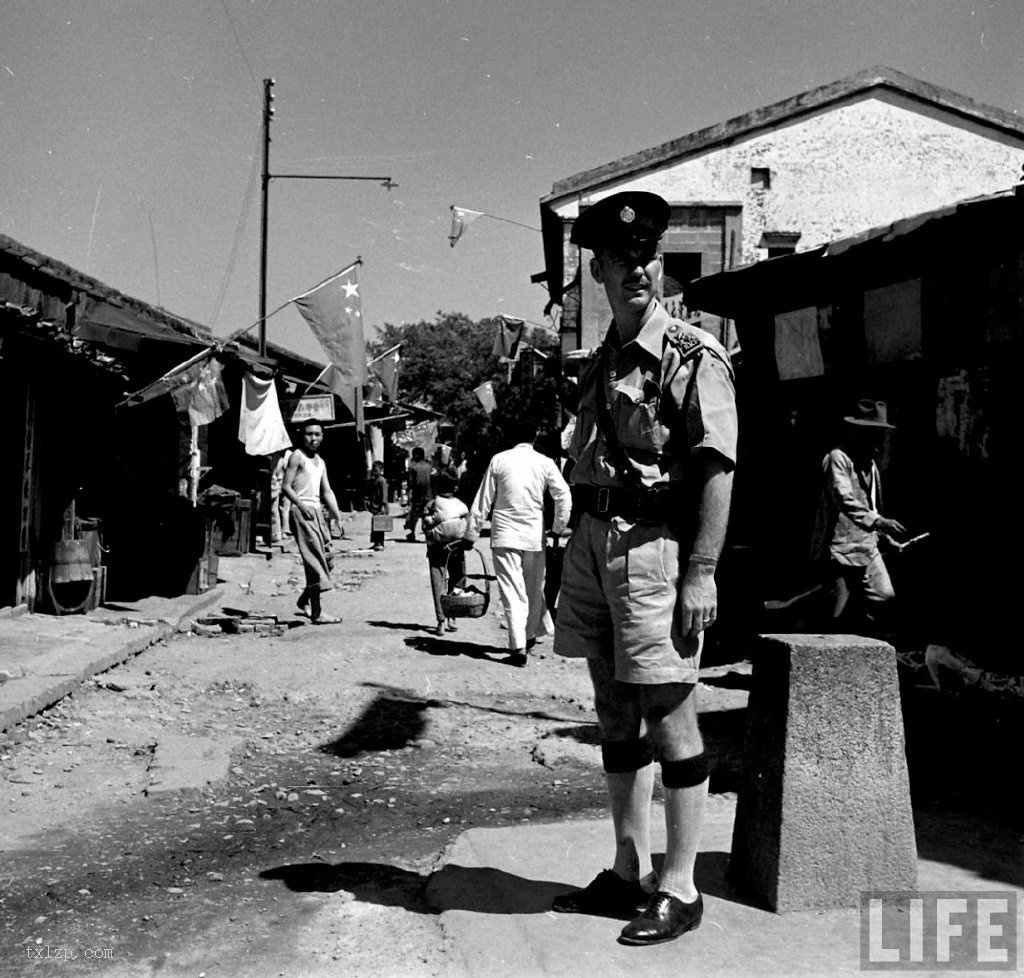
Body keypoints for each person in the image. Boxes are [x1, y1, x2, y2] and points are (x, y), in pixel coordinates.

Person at [550, 191, 737, 947]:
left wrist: (702, 570)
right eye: (622, 261)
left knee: (669, 712)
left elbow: (718, 470)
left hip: (656, 546)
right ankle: (627, 869)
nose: (638, 270)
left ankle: (681, 886)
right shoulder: (601, 362)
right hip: (594, 541)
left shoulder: (694, 356)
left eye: (649, 258)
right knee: (612, 707)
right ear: (597, 271)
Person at [463, 419, 571, 667]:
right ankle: (528, 636)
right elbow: (563, 494)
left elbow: (484, 499)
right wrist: (557, 527)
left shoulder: (499, 460)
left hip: (504, 535)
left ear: (511, 436)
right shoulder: (544, 462)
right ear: (535, 436)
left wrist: (471, 533)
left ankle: (519, 644)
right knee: (533, 590)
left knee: (512, 591)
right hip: (534, 535)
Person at [810, 398, 907, 633]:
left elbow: (871, 506)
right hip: (838, 549)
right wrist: (879, 522)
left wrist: (885, 537)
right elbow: (844, 498)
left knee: (884, 596)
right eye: (873, 432)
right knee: (836, 610)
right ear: (857, 430)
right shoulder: (838, 459)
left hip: (867, 547)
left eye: (880, 433)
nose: (877, 438)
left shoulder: (871, 465)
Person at [281, 420, 344, 624]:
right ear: (302, 435)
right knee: (315, 560)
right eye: (309, 434)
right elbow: (286, 486)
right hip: (302, 512)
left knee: (328, 557)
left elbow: (326, 491)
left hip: (317, 512)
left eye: (317, 434)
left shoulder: (320, 461)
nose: (313, 438)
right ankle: (316, 612)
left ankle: (304, 599)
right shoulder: (297, 456)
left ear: (322, 436)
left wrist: (337, 515)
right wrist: (300, 504)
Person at [422, 470, 470, 635]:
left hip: (436, 550)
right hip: (456, 549)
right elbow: (467, 522)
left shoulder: (432, 504)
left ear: (436, 486)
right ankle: (453, 616)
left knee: (438, 584)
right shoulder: (460, 504)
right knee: (458, 578)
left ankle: (440, 621)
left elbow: (425, 525)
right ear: (455, 487)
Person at [405, 447, 434, 541]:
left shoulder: (413, 468)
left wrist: (409, 496)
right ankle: (428, 535)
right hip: (429, 495)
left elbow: (411, 483)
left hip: (417, 495)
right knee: (427, 515)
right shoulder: (430, 467)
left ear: (416, 455)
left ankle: (412, 533)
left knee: (414, 516)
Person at [366, 460, 390, 552]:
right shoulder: (374, 480)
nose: (374, 471)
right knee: (375, 525)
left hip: (380, 506)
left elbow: (384, 494)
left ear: (381, 470)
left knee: (380, 525)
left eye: (376, 470)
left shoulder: (382, 480)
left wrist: (383, 505)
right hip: (375, 506)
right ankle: (376, 542)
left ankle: (380, 543)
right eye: (373, 469)